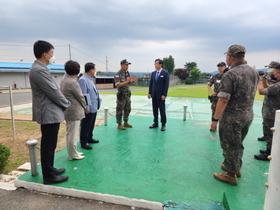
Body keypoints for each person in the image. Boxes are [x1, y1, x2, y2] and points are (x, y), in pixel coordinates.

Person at [211, 44, 259, 186]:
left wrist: (215, 119)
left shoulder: (230, 74)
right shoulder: (253, 71)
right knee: (238, 143)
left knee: (230, 144)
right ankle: (235, 166)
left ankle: (230, 175)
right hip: (248, 114)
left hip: (232, 117)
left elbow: (223, 99)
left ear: (230, 57)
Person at [29, 40, 71, 185]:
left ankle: (50, 169)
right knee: (48, 145)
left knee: (50, 144)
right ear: (45, 54)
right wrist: (66, 104)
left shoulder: (40, 69)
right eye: (52, 53)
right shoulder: (39, 70)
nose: (53, 56)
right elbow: (53, 91)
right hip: (48, 113)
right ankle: (49, 176)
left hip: (50, 112)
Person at [60, 60, 86, 160]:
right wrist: (85, 105)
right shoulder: (73, 83)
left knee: (69, 133)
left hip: (67, 110)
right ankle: (72, 154)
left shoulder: (64, 79)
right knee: (73, 134)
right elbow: (80, 97)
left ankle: (73, 151)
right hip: (74, 111)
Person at [254, 64, 280, 160]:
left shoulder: (278, 85)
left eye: (274, 73)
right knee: (270, 133)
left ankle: (269, 154)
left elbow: (261, 91)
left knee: (270, 134)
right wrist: (264, 79)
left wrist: (260, 80)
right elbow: (268, 87)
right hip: (272, 113)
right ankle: (270, 150)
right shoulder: (277, 85)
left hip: (271, 114)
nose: (273, 75)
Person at [78, 62, 100, 150]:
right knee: (85, 125)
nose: (95, 71)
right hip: (88, 107)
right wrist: (86, 107)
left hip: (94, 106)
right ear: (91, 70)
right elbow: (83, 95)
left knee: (91, 124)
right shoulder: (83, 80)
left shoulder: (90, 79)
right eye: (94, 69)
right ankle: (84, 141)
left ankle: (89, 138)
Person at [114, 59, 137, 130]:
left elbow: (128, 83)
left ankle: (126, 122)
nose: (127, 66)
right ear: (121, 65)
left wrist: (132, 81)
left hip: (127, 94)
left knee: (127, 109)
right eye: (126, 65)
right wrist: (127, 81)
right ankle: (119, 124)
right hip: (121, 95)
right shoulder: (117, 74)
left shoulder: (127, 73)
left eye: (128, 65)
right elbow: (117, 84)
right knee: (120, 109)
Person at [148, 59, 170, 131]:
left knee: (162, 110)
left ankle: (163, 124)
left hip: (161, 96)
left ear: (161, 64)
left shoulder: (165, 73)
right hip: (154, 95)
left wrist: (164, 94)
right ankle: (155, 123)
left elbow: (166, 85)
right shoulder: (153, 73)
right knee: (155, 110)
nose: (155, 65)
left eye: (156, 63)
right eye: (154, 63)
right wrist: (149, 92)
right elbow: (151, 84)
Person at [207, 62, 227, 131]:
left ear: (225, 67)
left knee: (225, 114)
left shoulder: (228, 76)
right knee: (214, 112)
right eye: (219, 66)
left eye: (222, 66)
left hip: (225, 99)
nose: (220, 67)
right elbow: (209, 85)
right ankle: (213, 127)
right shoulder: (215, 77)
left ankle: (224, 129)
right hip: (216, 99)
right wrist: (212, 92)